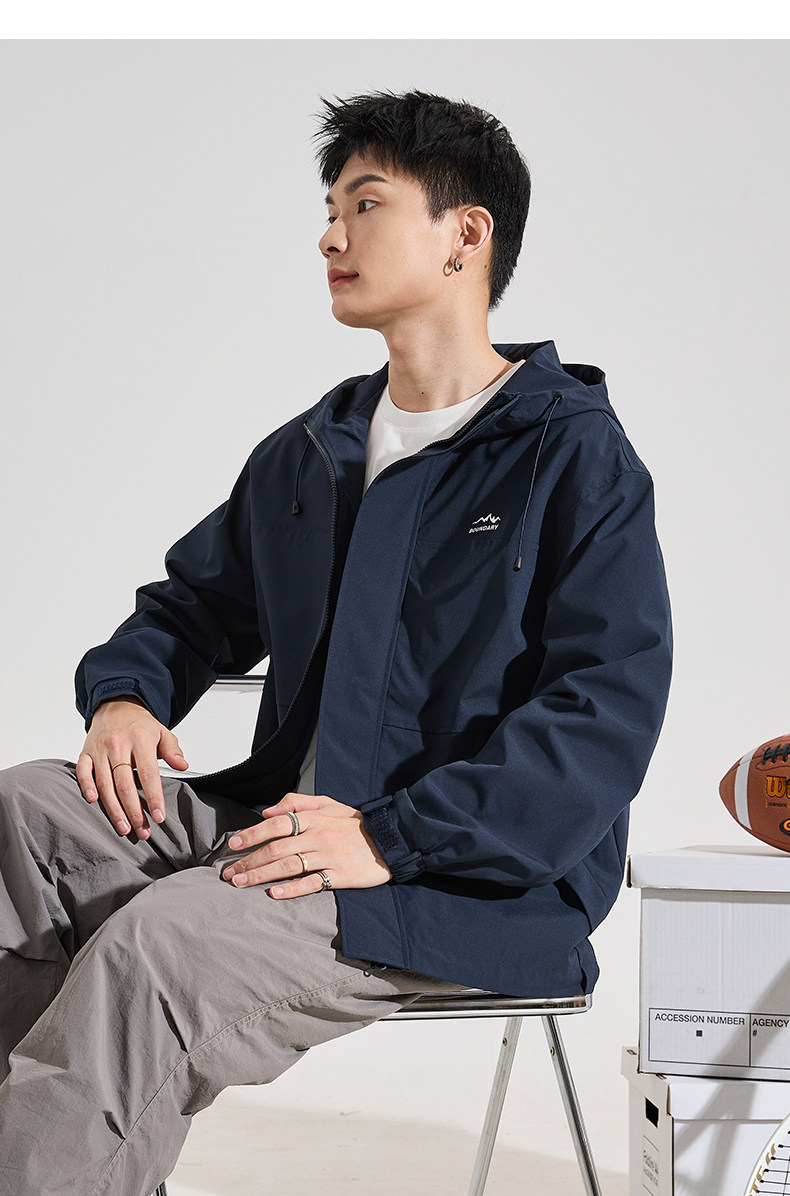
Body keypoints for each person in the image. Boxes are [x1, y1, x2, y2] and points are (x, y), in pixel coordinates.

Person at [0, 88, 672, 1194]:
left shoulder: (569, 457)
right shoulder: (317, 448)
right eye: (328, 209)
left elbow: (600, 717)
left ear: (464, 234)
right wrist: (127, 695)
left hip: (455, 880)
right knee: (23, 818)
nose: (329, 236)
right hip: (280, 821)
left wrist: (389, 836)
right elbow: (191, 606)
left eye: (365, 204)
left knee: (161, 944)